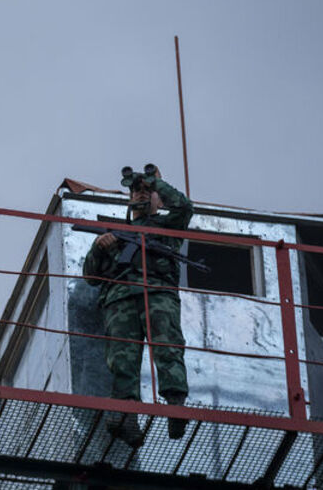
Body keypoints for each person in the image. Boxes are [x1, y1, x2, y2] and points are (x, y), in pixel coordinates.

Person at [83, 164, 193, 445]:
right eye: (136, 191)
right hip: (120, 300)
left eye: (147, 191)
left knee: (167, 346)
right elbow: (91, 277)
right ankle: (126, 417)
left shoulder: (168, 226)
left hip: (158, 294)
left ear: (158, 197)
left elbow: (184, 207)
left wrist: (156, 183)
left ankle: (176, 407)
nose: (141, 195)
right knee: (122, 360)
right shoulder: (117, 231)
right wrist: (99, 247)